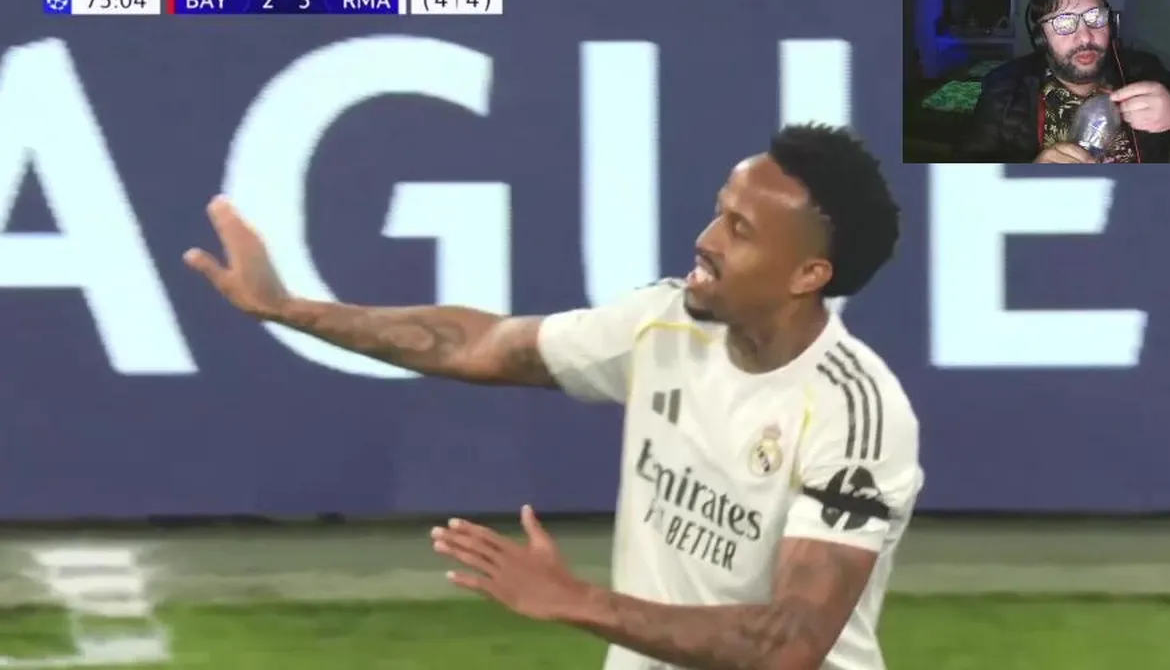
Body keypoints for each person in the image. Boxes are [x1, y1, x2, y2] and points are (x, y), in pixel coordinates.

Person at [185, 123, 922, 670]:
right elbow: (482, 344)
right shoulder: (663, 324)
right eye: (717, 211)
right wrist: (289, 309)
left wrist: (574, 600)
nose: (706, 239)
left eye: (740, 229)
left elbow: (790, 644)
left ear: (808, 275)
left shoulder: (855, 414)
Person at [960, 0, 1170, 163]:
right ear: (1041, 37)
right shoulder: (1004, 86)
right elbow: (963, 173)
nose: (1085, 37)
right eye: (1064, 22)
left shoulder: (1140, 70)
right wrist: (1027, 178)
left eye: (1095, 17)